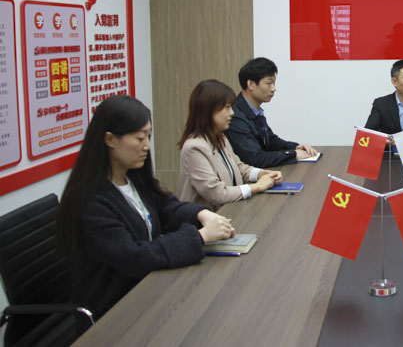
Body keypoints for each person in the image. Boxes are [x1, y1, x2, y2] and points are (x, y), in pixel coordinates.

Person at [57, 95, 234, 321]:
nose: (147, 147)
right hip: (115, 310)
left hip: (147, 290)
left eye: (148, 137)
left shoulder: (132, 178)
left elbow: (166, 207)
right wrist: (199, 237)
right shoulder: (90, 201)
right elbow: (136, 257)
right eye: (139, 138)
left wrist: (202, 214)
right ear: (110, 139)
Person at [178, 79, 283, 209]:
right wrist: (256, 187)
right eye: (227, 108)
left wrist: (262, 173)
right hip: (207, 219)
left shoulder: (220, 138)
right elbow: (217, 193)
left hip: (230, 211)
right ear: (209, 110)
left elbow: (239, 168)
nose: (232, 113)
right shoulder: (194, 147)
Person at [226, 57, 318, 168]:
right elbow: (255, 159)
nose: (273, 88)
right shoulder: (235, 117)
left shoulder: (255, 111)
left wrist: (295, 147)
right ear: (250, 84)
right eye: (269, 83)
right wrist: (293, 154)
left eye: (274, 83)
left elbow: (271, 141)